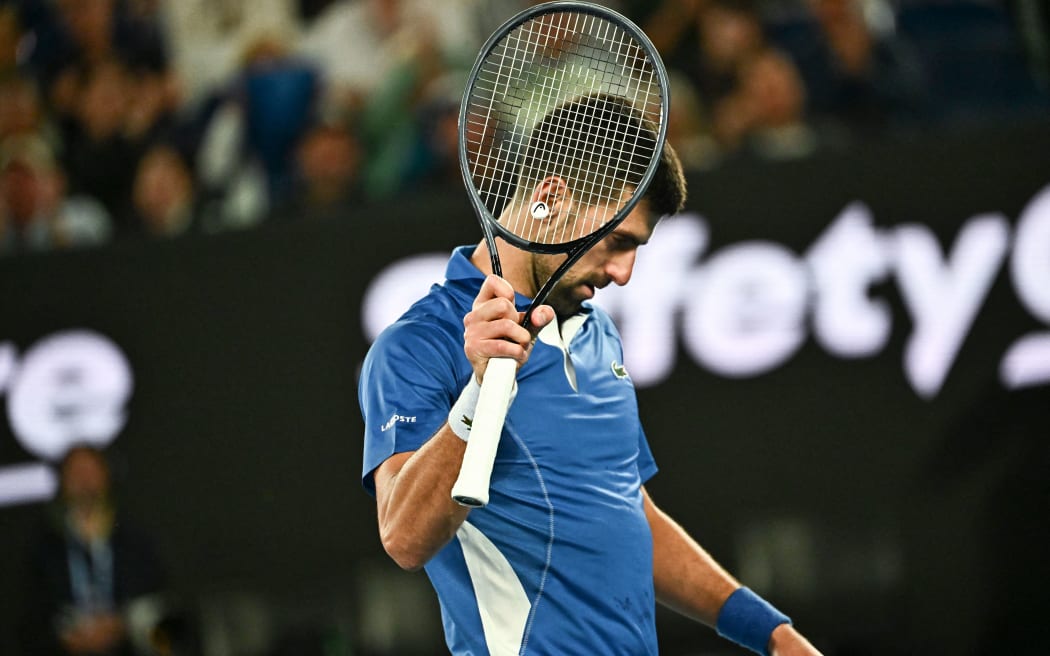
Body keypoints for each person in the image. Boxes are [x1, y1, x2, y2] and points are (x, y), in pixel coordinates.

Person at [358, 93, 822, 655]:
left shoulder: (599, 333)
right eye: (618, 243)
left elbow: (628, 513)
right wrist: (481, 389)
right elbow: (404, 538)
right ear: (550, 199)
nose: (625, 274)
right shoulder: (416, 345)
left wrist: (771, 634)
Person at [19, 445, 166, 656]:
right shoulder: (44, 546)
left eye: (90, 472)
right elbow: (30, 619)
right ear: (62, 482)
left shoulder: (134, 540)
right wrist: (66, 638)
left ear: (106, 476)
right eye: (76, 474)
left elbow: (159, 601)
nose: (84, 482)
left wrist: (121, 625)